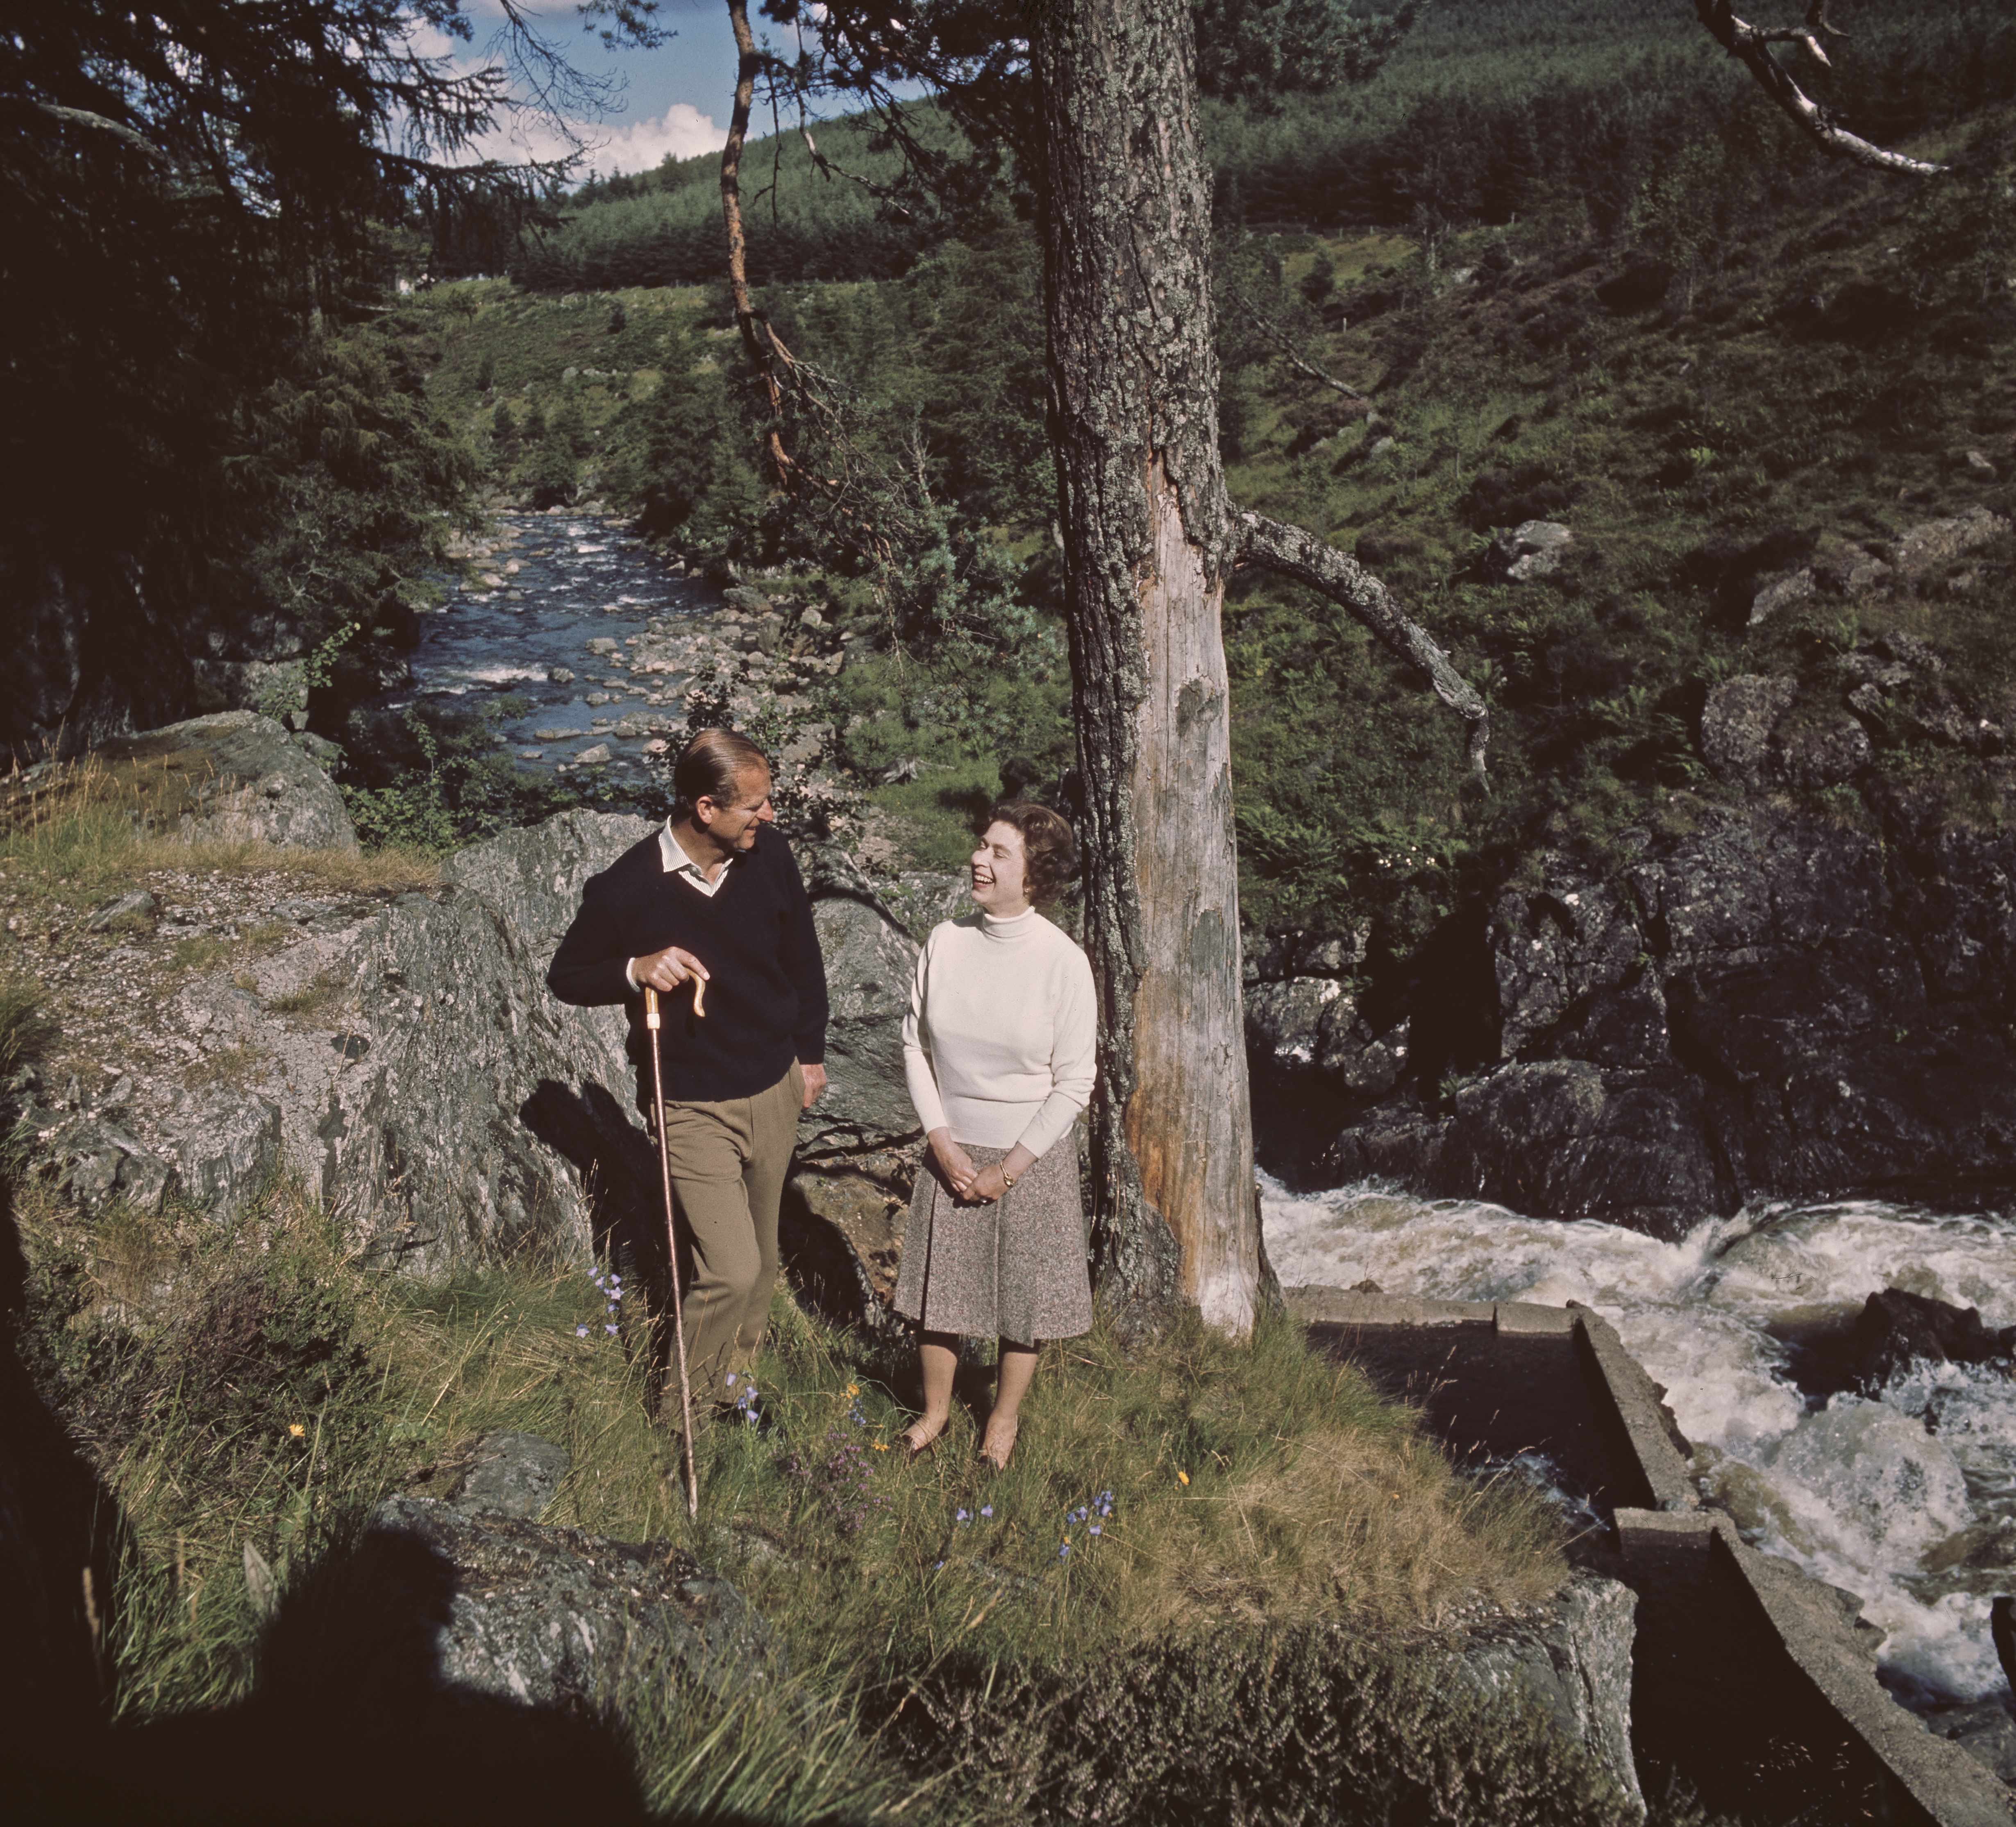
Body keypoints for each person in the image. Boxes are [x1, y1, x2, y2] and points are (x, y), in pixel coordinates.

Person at [547, 729, 828, 1416]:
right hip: (689, 1101)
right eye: (754, 807)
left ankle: (736, 1393)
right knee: (727, 1270)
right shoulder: (626, 888)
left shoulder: (771, 858)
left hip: (774, 1085)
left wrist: (810, 1055)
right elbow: (567, 977)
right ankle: (685, 1415)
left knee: (762, 1265)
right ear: (706, 808)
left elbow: (803, 962)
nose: (768, 817)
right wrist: (633, 970)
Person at [892, 801, 1096, 1469]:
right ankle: (935, 1414)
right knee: (940, 1298)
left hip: (1028, 1158)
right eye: (981, 845)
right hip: (951, 1147)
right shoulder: (945, 942)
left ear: (1035, 877)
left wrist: (1008, 1169)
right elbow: (914, 1045)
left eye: (998, 853)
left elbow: (1073, 1083)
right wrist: (942, 1142)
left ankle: (1002, 1423)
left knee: (1022, 1302)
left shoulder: (1064, 964)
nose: (979, 860)